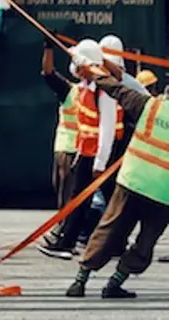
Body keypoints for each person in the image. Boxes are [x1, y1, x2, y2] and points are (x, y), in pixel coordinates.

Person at [65, 50, 169, 299]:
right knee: (145, 243)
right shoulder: (149, 104)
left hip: (133, 180)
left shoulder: (150, 105)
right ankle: (114, 283)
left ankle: (79, 282)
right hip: (163, 193)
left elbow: (117, 89)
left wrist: (93, 71)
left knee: (108, 229)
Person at [43, 38, 119, 260]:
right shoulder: (86, 88)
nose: (75, 68)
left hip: (98, 156)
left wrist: (100, 162)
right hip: (86, 153)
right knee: (81, 198)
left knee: (113, 201)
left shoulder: (103, 90)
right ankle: (67, 242)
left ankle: (113, 242)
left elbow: (107, 128)